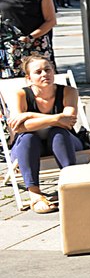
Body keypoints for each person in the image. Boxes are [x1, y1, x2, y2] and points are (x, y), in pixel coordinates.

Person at [5, 54, 84, 214]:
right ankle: (34, 194)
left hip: (65, 143)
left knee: (59, 132)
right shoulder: (21, 94)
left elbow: (69, 120)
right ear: (28, 78)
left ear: (53, 71)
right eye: (38, 72)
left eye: (48, 70)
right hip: (28, 148)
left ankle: (70, 187)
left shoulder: (69, 92)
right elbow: (19, 127)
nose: (44, 74)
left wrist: (29, 115)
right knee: (28, 136)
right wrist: (56, 118)